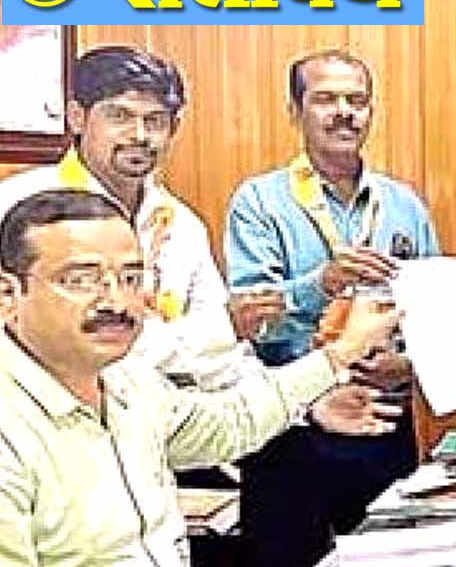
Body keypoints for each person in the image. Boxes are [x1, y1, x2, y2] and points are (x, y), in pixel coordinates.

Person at [0, 189, 397, 567]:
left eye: (131, 278)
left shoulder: (127, 379)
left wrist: (339, 355)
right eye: (80, 280)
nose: (116, 302)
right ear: (7, 294)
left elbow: (229, 424)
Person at [224, 48, 439, 566]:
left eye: (356, 101)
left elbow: (431, 317)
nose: (344, 112)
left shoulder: (404, 206)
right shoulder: (259, 203)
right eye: (326, 99)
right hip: (293, 428)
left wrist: (409, 363)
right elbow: (252, 322)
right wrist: (321, 283)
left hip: (383, 423)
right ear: (295, 112)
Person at [0, 45, 241, 390]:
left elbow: (222, 343)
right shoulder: (15, 205)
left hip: (172, 407)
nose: (139, 135)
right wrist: (199, 342)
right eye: (119, 116)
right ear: (77, 118)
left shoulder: (182, 224)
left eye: (154, 121)